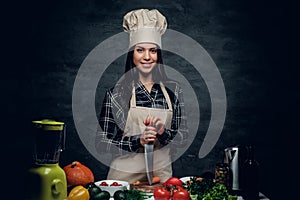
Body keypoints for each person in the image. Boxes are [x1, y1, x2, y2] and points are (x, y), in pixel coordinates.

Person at [96, 8, 188, 183]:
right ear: (132, 54)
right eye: (140, 50)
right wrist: (137, 141)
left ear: (158, 54)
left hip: (161, 181)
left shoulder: (173, 90)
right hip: (123, 182)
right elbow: (101, 143)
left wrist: (163, 132)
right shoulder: (117, 93)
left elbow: (182, 139)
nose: (147, 57)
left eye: (153, 51)